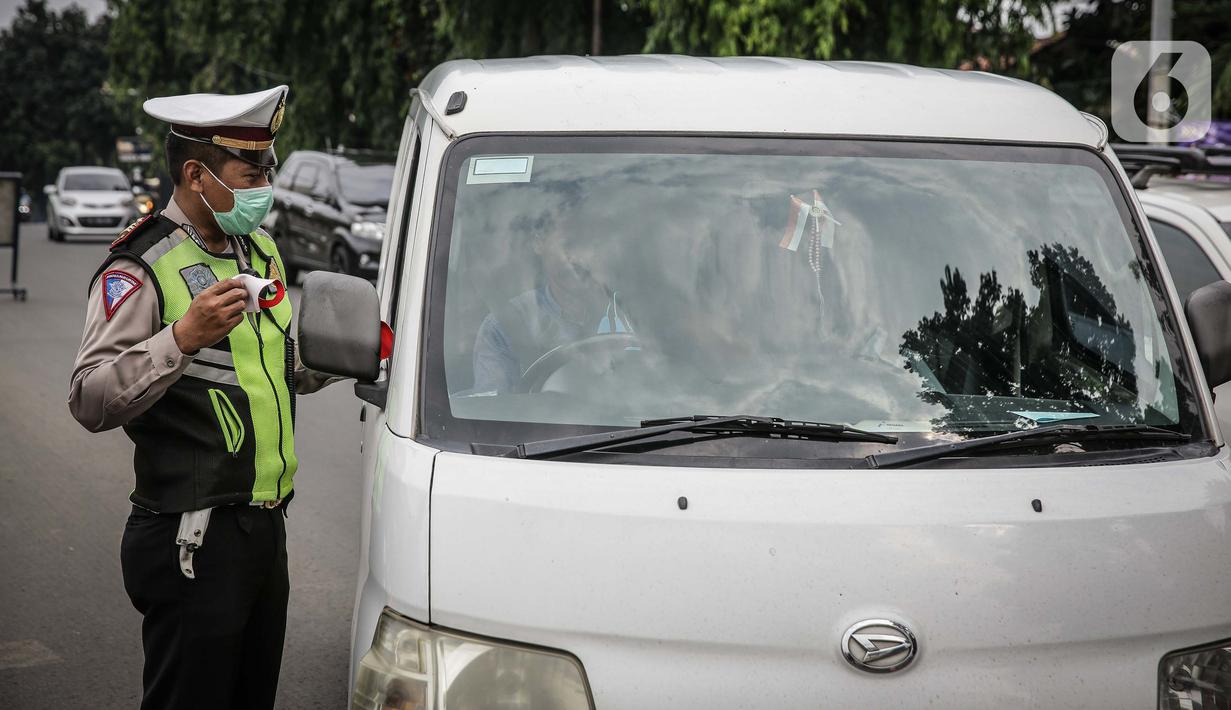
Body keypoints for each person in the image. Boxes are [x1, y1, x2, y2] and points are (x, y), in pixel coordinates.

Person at [67, 85, 335, 710]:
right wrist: (181, 338)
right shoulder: (138, 266)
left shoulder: (257, 250)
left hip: (265, 527)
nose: (266, 183)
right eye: (252, 172)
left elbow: (276, 367)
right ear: (197, 173)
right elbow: (88, 398)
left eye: (269, 167)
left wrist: (350, 356)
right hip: (192, 532)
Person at [471, 211, 633, 393]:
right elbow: (493, 414)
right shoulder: (502, 328)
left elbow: (662, 388)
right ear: (538, 243)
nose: (581, 257)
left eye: (591, 243)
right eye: (570, 244)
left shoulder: (634, 313)